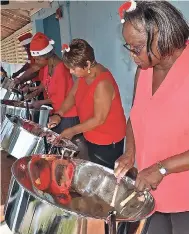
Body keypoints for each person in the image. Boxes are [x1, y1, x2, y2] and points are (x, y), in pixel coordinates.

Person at [114, 1, 189, 234]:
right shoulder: (144, 70)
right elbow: (135, 116)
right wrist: (130, 152)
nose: (132, 56)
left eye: (136, 48)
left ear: (159, 36)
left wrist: (162, 168)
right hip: (153, 194)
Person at [48, 39, 126, 170]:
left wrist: (72, 130)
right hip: (91, 134)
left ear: (88, 64)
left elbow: (99, 119)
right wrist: (59, 114)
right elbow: (72, 95)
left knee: (104, 175)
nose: (71, 72)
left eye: (73, 68)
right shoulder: (83, 76)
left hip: (107, 140)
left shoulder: (102, 84)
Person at [28, 32, 78, 133]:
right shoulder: (47, 66)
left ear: (47, 56)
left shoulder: (61, 70)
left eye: (37, 59)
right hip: (57, 113)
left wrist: (40, 103)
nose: (36, 62)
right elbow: (45, 83)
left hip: (68, 115)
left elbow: (59, 98)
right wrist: (36, 91)